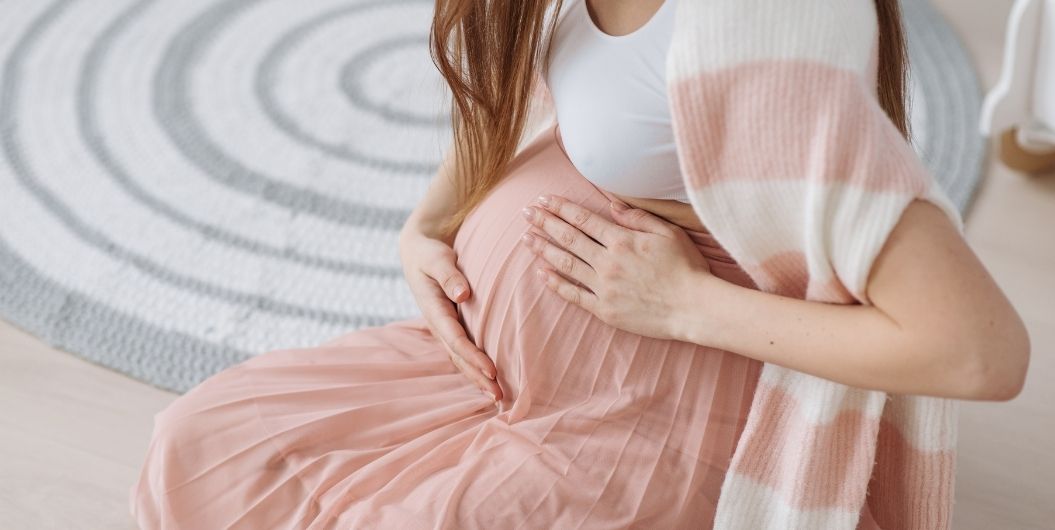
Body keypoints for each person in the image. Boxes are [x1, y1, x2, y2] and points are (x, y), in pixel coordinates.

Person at [129, 1, 1031, 528]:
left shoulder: (761, 24)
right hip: (503, 370)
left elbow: (978, 353)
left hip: (653, 408)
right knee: (199, 444)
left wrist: (685, 306)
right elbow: (576, 104)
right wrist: (428, 226)